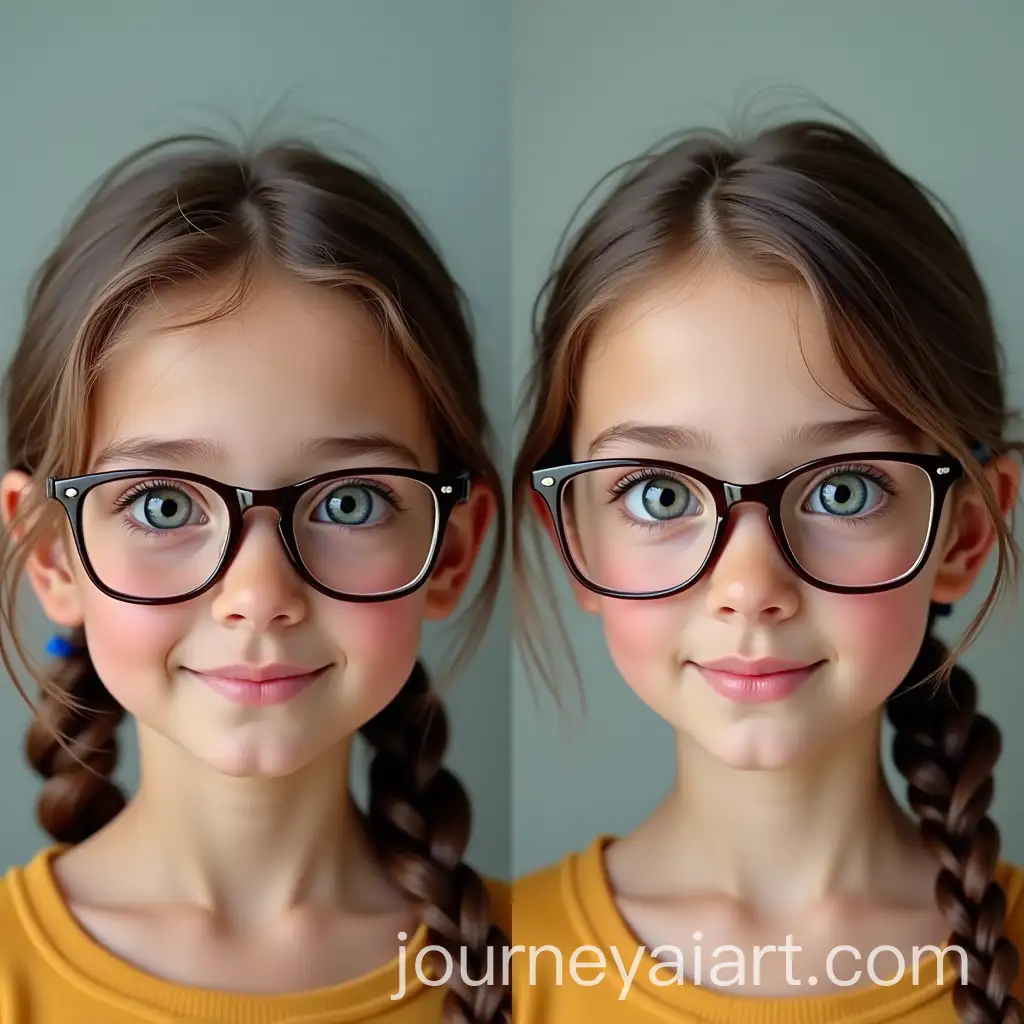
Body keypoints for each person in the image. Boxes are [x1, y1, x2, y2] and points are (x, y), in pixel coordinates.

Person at [511, 117, 1024, 1022]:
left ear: (965, 533)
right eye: (661, 494)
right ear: (573, 538)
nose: (749, 587)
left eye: (843, 490)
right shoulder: (489, 961)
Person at [0, 133, 510, 1023]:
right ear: (52, 554)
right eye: (163, 505)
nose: (260, 594)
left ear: (451, 549)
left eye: (348, 503)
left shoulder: (558, 968)